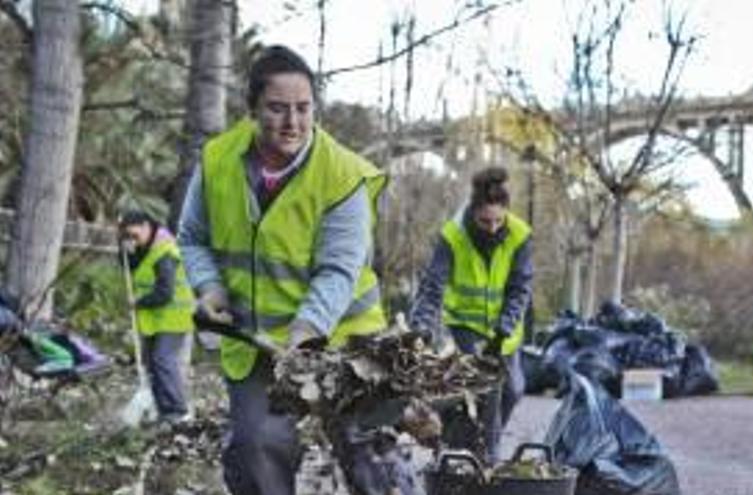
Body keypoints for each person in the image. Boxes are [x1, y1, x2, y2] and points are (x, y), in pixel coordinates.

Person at [177, 45, 387, 495]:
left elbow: (337, 270)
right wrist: (210, 289)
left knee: (370, 452)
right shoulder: (217, 162)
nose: (293, 122)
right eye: (277, 108)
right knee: (256, 449)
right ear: (252, 109)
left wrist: (306, 332)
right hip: (257, 346)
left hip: (346, 340)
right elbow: (193, 237)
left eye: (303, 108)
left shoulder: (343, 175)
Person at [409, 166, 533, 461]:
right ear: (472, 212)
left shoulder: (519, 235)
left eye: (497, 220)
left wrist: (503, 330)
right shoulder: (453, 236)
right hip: (467, 325)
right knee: (489, 389)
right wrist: (421, 329)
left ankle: (464, 440)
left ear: (506, 212)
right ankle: (486, 462)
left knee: (514, 390)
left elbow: (520, 288)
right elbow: (432, 288)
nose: (491, 227)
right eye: (484, 221)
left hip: (505, 331)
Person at [119, 210, 195, 423]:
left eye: (134, 235)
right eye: (128, 237)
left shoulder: (165, 250)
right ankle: (162, 410)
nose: (133, 240)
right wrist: (128, 252)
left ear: (146, 226)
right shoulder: (146, 248)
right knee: (152, 364)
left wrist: (138, 302)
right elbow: (133, 269)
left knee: (163, 360)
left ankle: (179, 411)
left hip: (174, 318)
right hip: (155, 319)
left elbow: (165, 292)